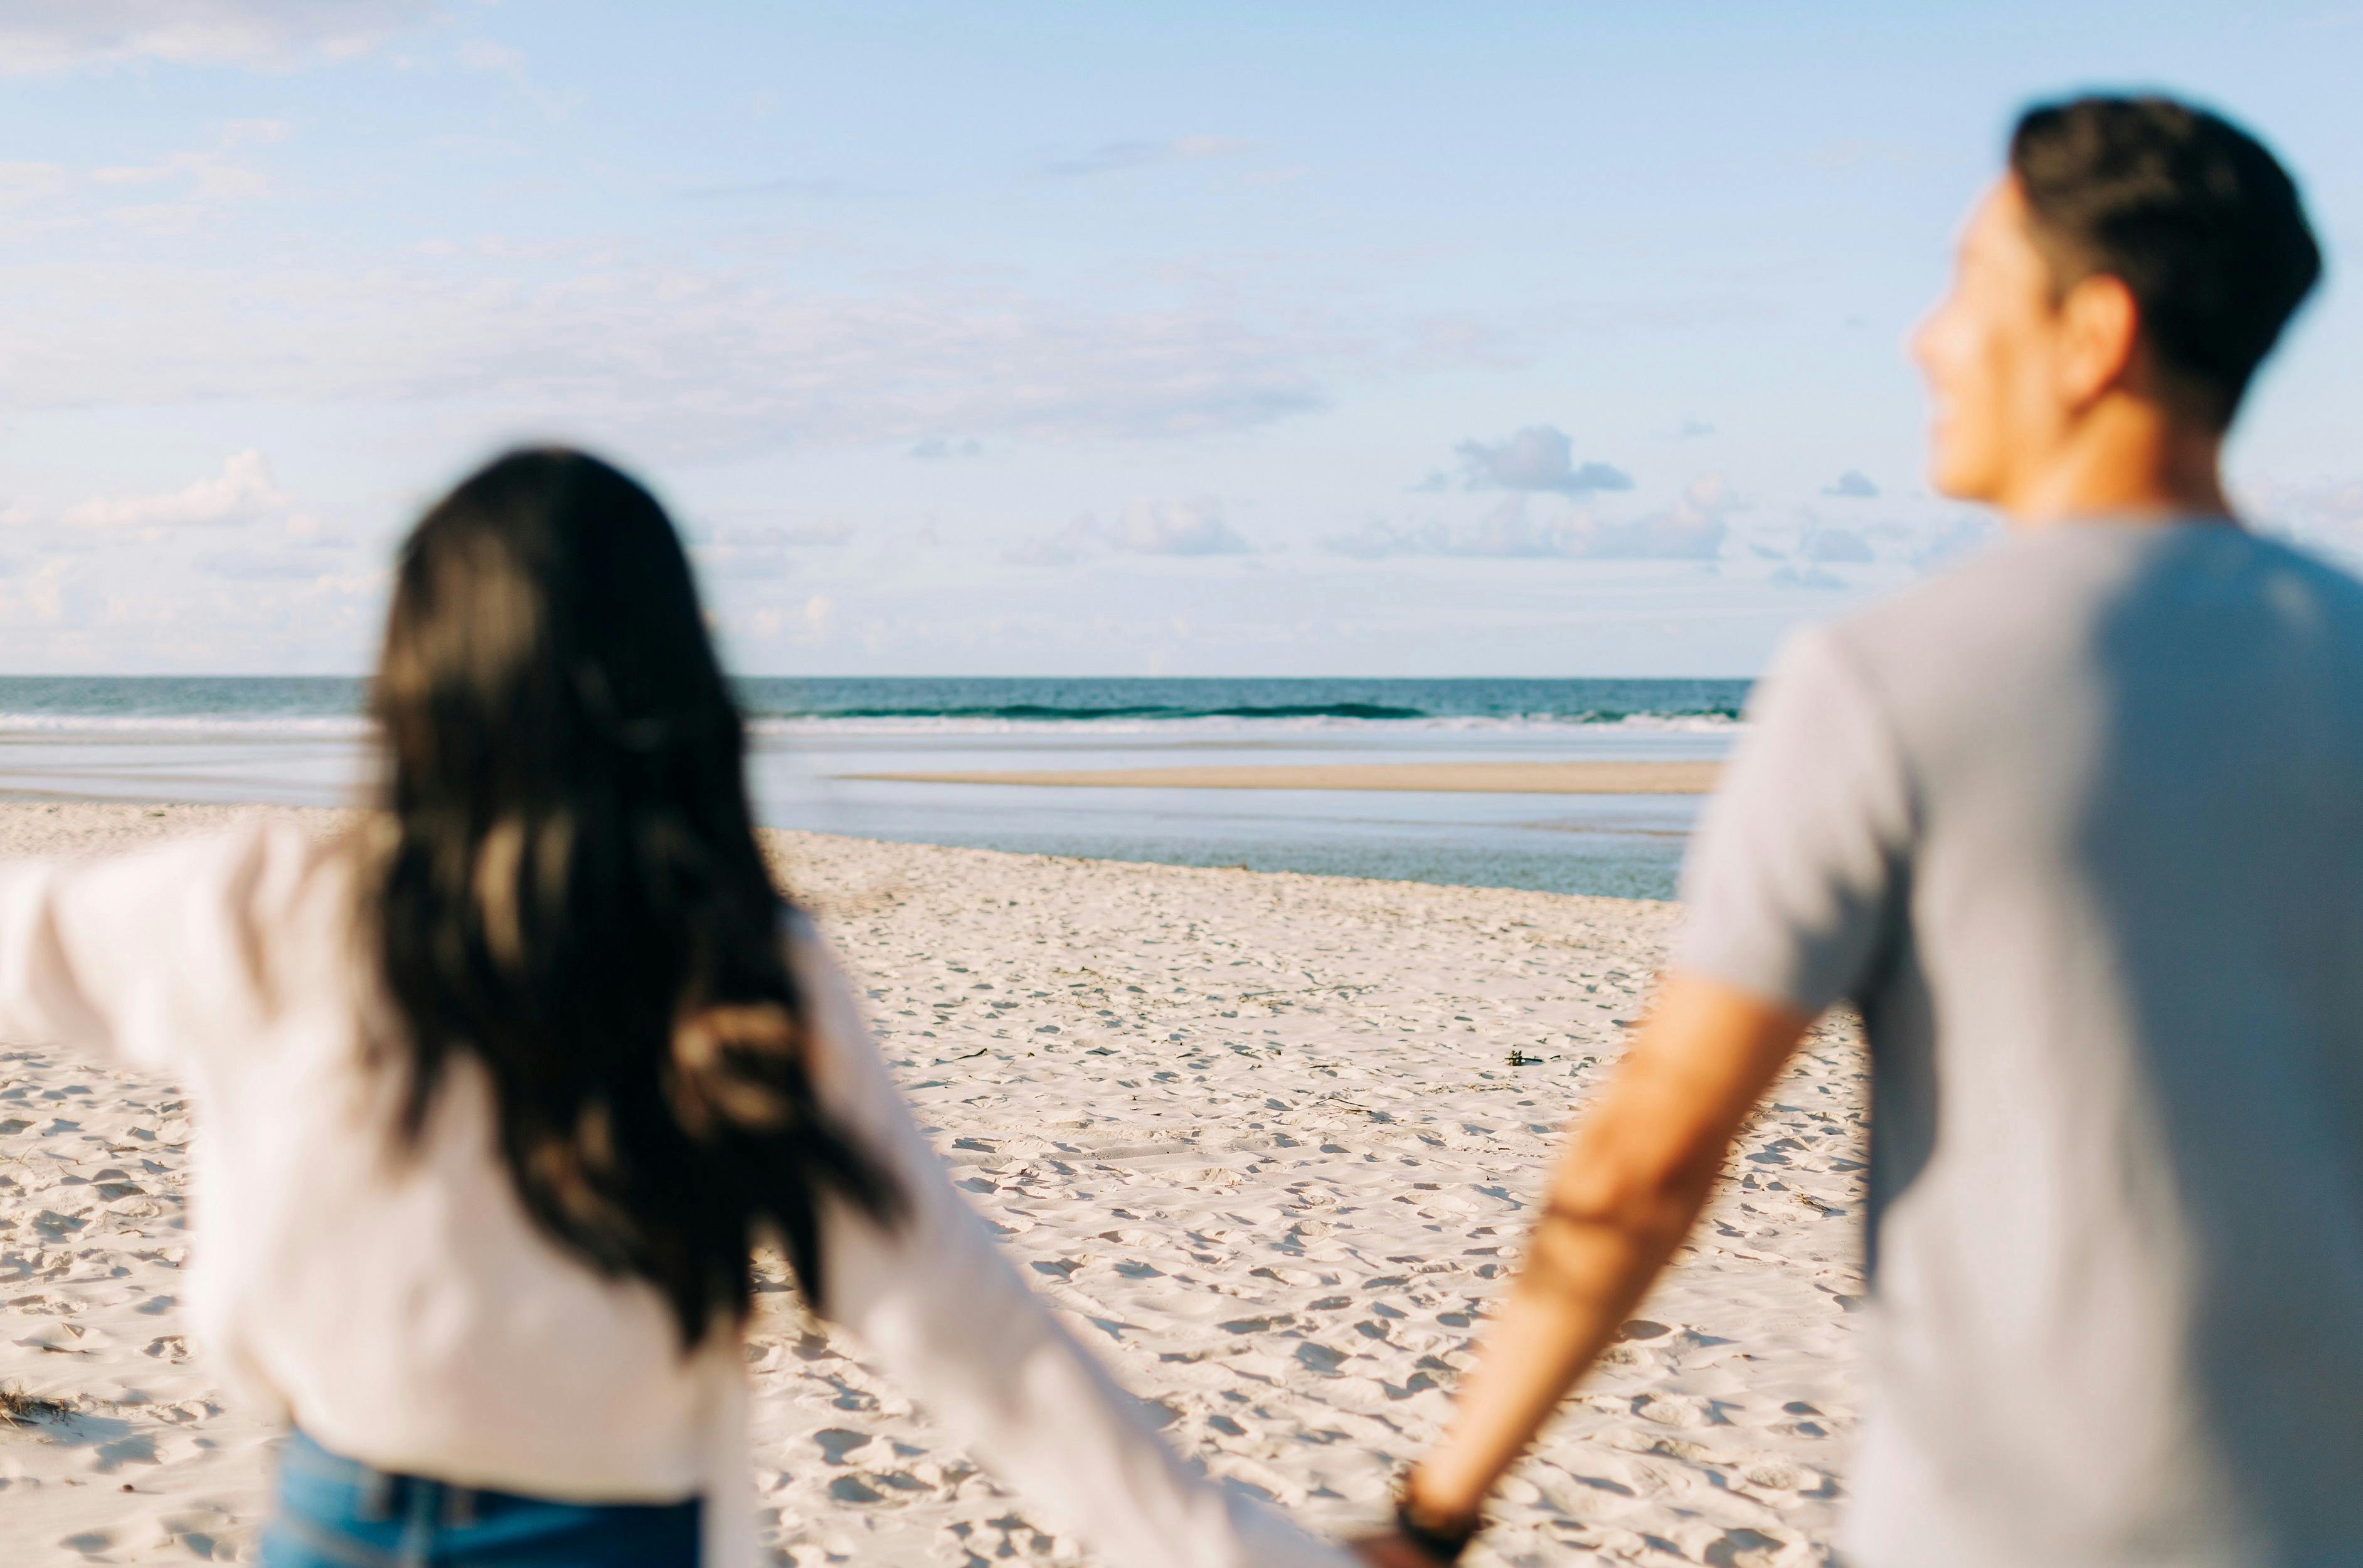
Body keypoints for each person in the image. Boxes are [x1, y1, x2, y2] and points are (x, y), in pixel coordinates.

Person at [0, 450, 1354, 1568]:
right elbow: (974, 1335)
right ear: (672, 678)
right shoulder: (736, 967)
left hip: (339, 1527)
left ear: (414, 676)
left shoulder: (262, 910)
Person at [1356, 95, 2359, 1568]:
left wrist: (1433, 1512)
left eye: (1968, 284)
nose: (1926, 339)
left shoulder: (1891, 679)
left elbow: (1653, 1148)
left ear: (2095, 336)